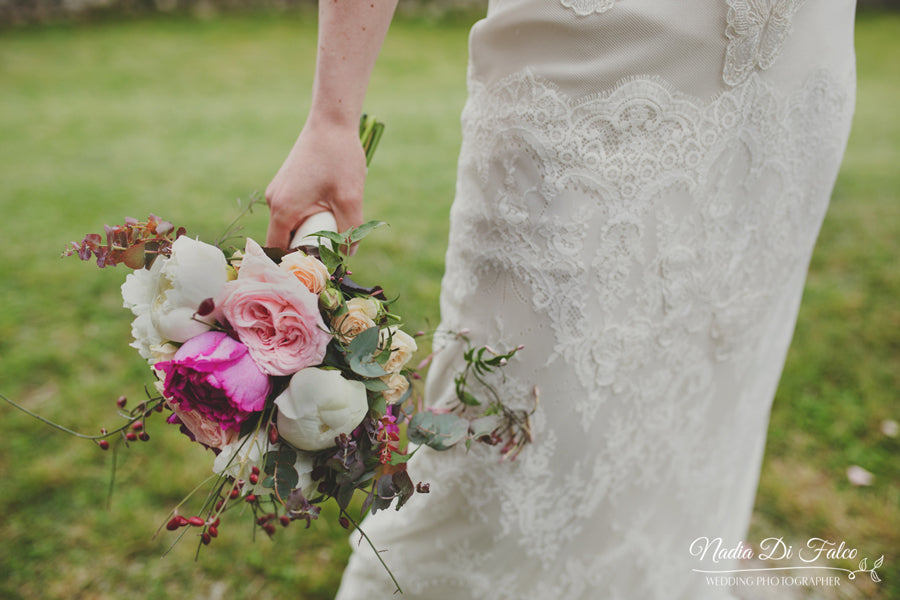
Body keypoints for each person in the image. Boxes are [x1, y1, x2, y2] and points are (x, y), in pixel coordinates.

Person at [267, 2, 858, 599]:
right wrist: (333, 119)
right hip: (599, 74)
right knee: (508, 446)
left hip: (794, 84)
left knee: (705, 417)